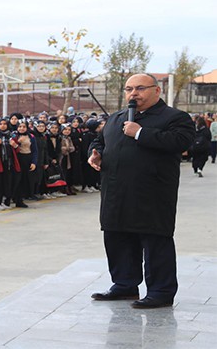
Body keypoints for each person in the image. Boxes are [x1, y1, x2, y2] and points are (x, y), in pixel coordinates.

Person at [88, 73, 194, 309]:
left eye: (140, 88)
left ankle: (160, 292)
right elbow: (101, 142)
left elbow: (181, 142)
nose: (133, 94)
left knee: (155, 242)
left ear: (156, 91)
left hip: (152, 192)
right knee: (117, 237)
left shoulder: (175, 117)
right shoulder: (116, 118)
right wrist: (94, 154)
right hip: (115, 190)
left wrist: (139, 132)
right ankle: (124, 285)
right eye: (128, 89)